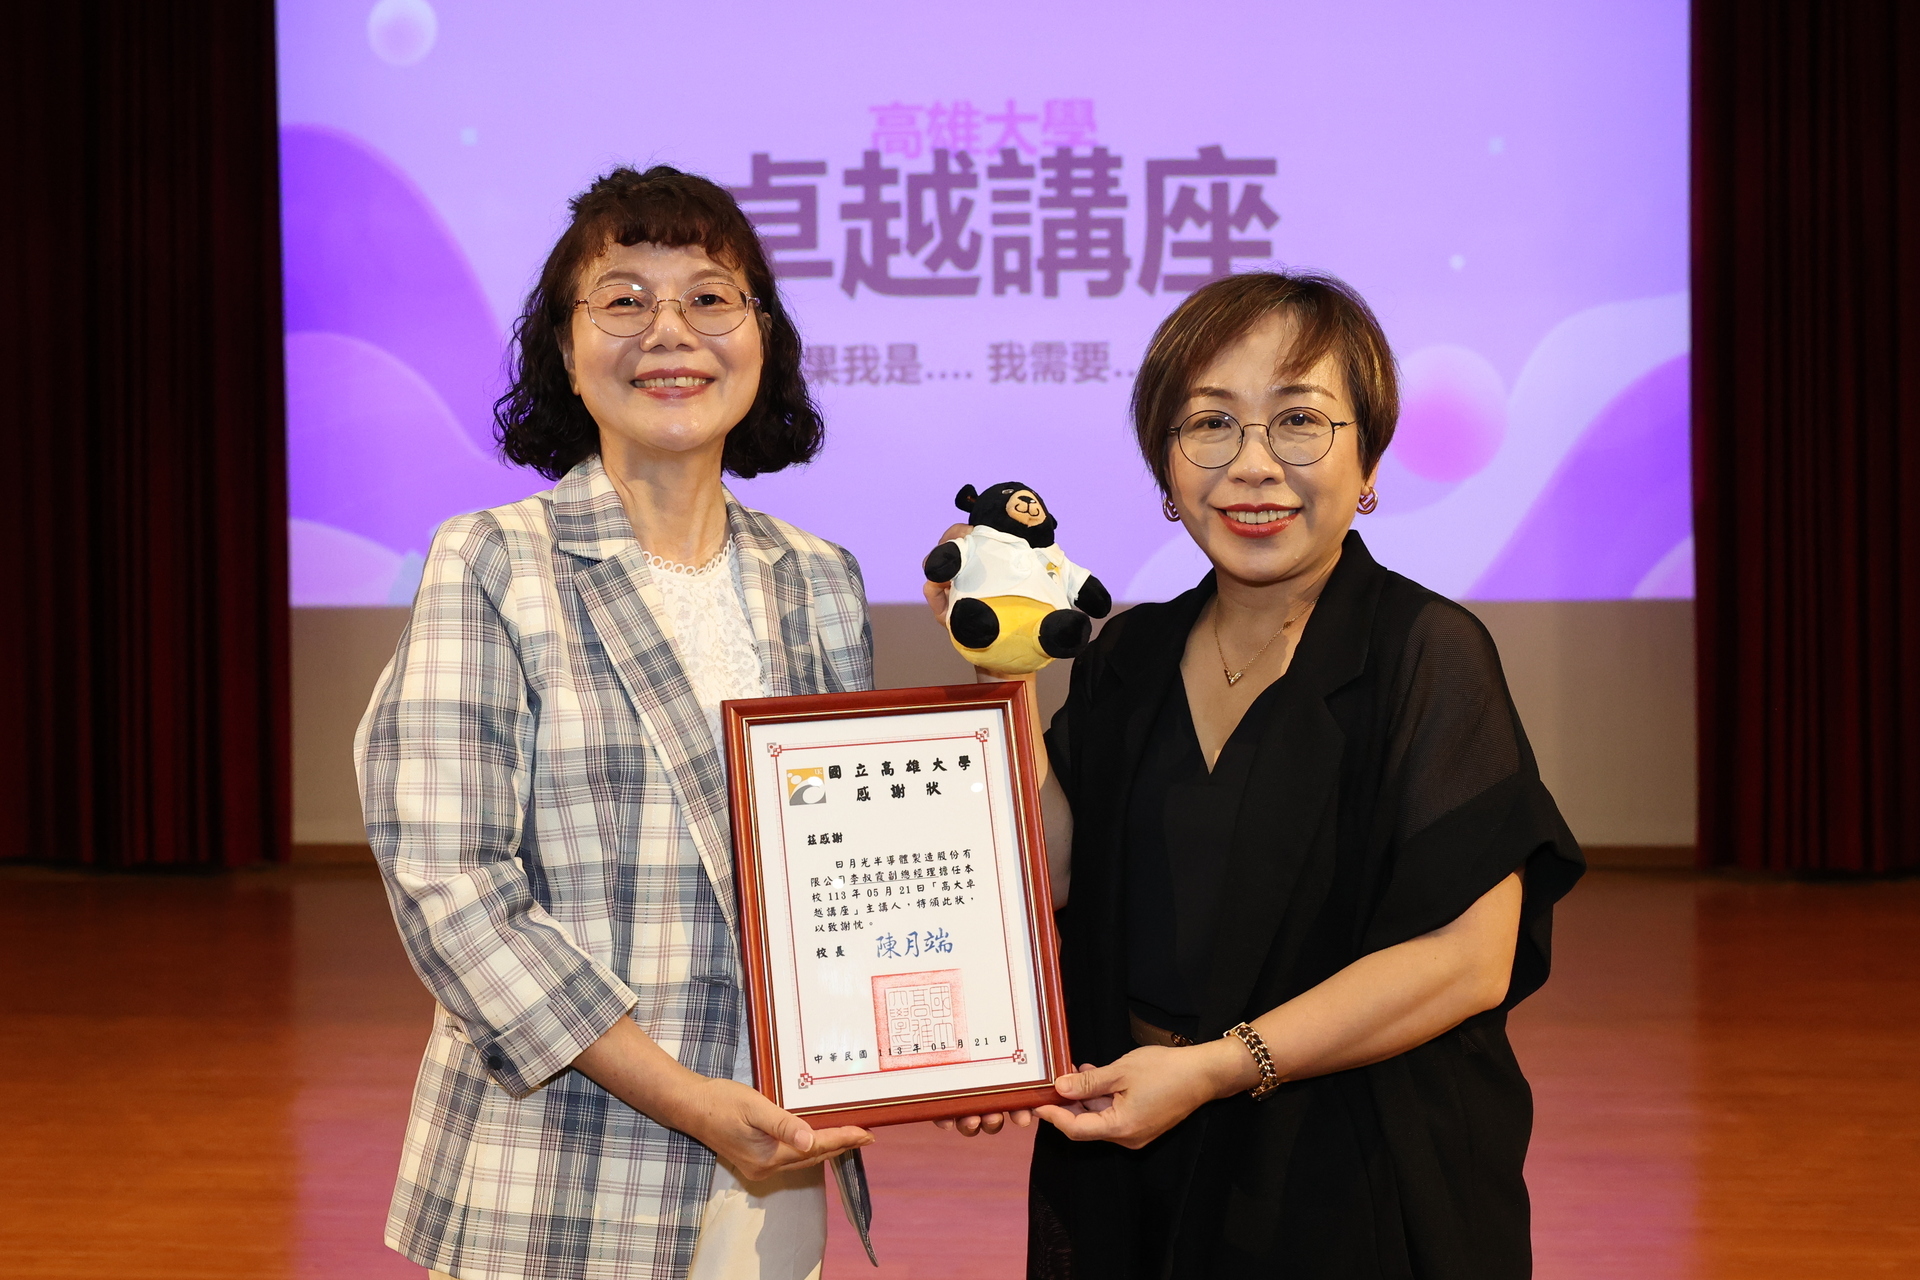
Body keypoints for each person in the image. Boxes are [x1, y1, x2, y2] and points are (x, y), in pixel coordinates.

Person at [931, 271, 1584, 1277]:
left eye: (1298, 422)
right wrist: (1002, 669)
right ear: (1167, 465)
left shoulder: (1427, 650)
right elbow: (1050, 868)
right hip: (1133, 1135)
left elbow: (1468, 957)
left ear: (1368, 460)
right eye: (1211, 424)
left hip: (1353, 1164)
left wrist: (1213, 1069)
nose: (1253, 465)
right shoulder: (1129, 654)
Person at [355, 166, 873, 1280]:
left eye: (709, 297)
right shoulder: (492, 558)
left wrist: (949, 1052)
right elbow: (454, 890)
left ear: (763, 335)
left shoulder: (821, 580)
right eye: (623, 299)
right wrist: (688, 1099)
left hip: (774, 1152)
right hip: (558, 1160)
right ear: (564, 346)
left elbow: (842, 873)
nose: (669, 333)